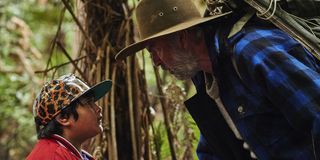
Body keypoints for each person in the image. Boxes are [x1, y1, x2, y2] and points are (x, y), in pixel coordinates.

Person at [115, 0, 320, 159]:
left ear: (182, 38)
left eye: (154, 50)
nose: (156, 62)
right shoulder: (206, 78)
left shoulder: (251, 53)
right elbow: (214, 149)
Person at [26, 74, 112, 160]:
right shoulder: (53, 157)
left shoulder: (72, 154)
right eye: (88, 103)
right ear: (63, 118)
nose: (98, 108)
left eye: (94, 102)